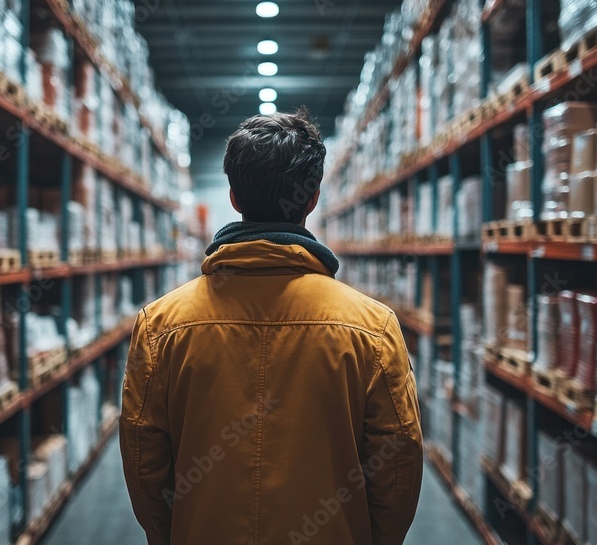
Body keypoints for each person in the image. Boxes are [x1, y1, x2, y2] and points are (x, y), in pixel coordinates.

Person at [120, 109, 423, 545]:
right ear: (313, 197)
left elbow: (143, 455)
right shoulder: (372, 328)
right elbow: (399, 457)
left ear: (234, 196)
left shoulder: (161, 326)